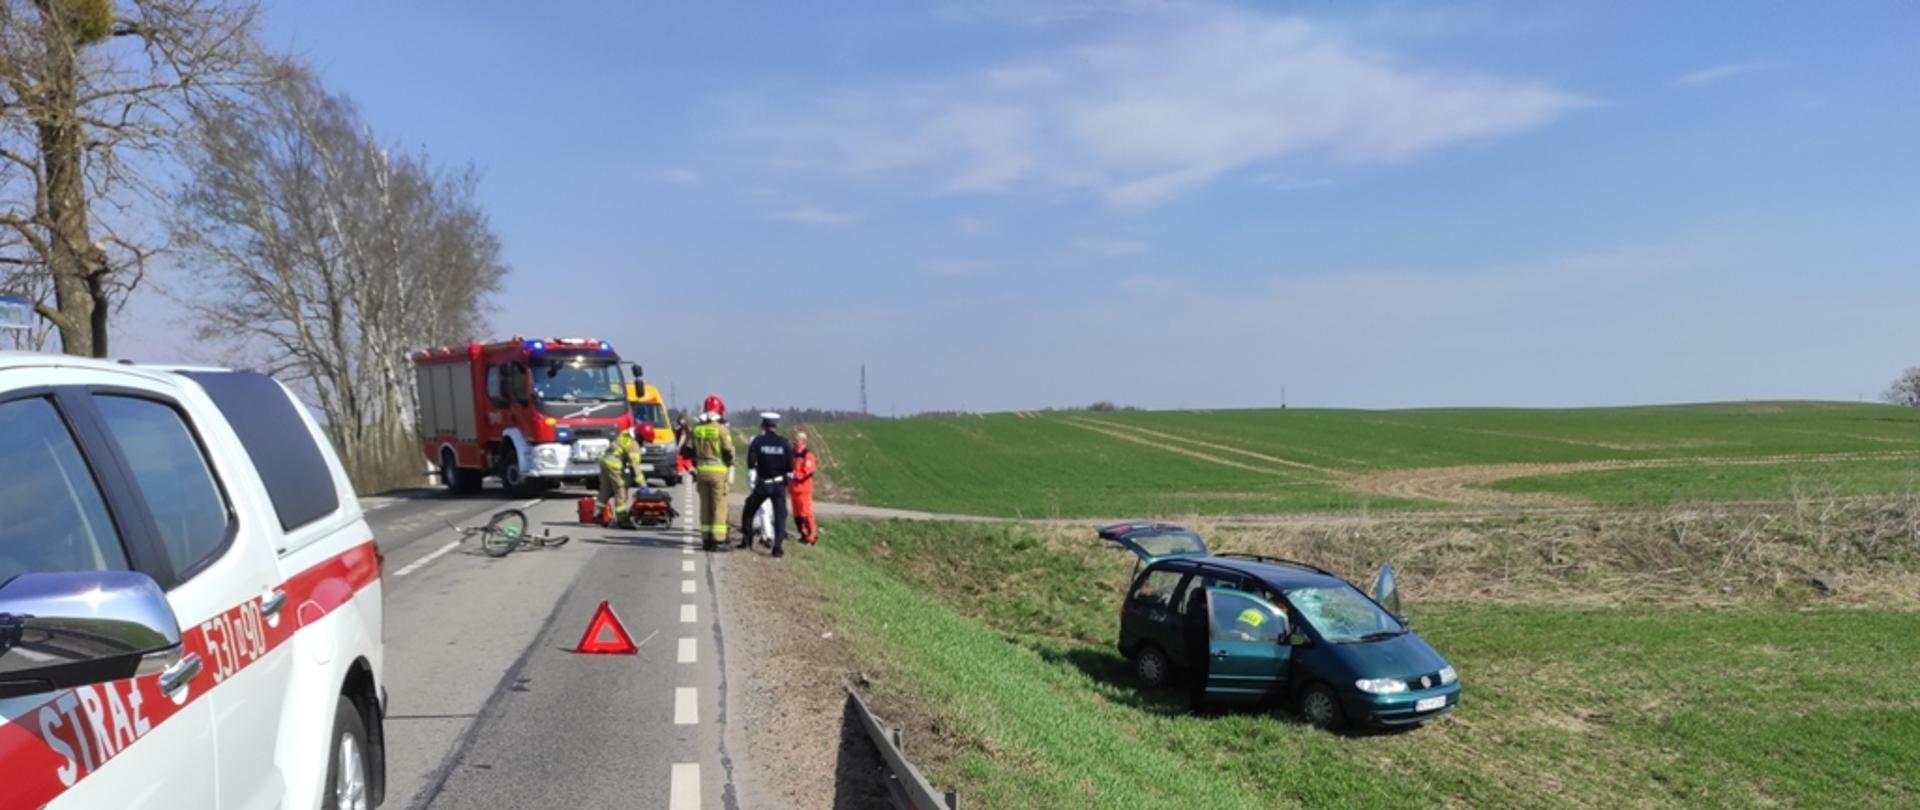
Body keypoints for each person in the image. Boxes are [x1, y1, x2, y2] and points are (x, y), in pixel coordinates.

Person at [680, 396, 735, 550]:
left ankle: (706, 540)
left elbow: (686, 451)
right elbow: (728, 453)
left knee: (705, 506)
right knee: (719, 506)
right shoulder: (721, 429)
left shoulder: (696, 429)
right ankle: (718, 541)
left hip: (701, 473)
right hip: (718, 473)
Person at [739, 412, 794, 557]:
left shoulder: (757, 441)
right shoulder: (784, 443)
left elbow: (751, 464)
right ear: (776, 425)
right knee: (780, 516)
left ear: (763, 424)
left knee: (749, 510)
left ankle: (747, 540)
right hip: (779, 485)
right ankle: (778, 548)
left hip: (764, 484)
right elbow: (790, 467)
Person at [598, 422, 646, 526]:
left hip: (604, 461)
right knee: (621, 489)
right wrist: (643, 485)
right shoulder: (634, 445)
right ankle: (622, 520)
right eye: (644, 440)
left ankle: (597, 515)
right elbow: (635, 467)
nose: (644, 443)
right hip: (614, 465)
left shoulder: (625, 434)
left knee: (605, 490)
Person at [789, 431, 819, 545]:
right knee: (797, 514)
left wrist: (795, 476)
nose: (794, 442)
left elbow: (807, 472)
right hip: (793, 489)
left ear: (802, 441)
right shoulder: (792, 454)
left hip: (803, 489)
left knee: (805, 513)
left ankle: (811, 536)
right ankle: (803, 534)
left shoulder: (808, 455)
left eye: (796, 440)